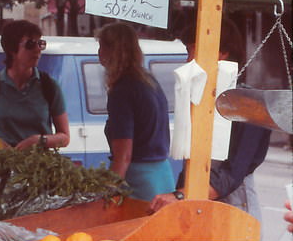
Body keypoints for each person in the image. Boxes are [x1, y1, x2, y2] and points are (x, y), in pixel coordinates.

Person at [149, 19, 270, 217]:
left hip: (234, 208)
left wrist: (181, 196)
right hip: (194, 201)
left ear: (222, 53)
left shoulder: (249, 105)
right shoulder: (199, 101)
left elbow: (232, 174)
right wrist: (179, 195)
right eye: (188, 51)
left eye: (193, 50)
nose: (188, 60)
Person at [0, 19, 69, 150]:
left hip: (38, 166)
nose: (37, 50)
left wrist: (39, 141)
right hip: (0, 165)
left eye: (40, 44)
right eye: (30, 44)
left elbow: (64, 137)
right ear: (12, 49)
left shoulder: (49, 86)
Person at [96, 22, 173, 201]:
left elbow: (124, 155)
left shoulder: (122, 90)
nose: (98, 53)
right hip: (163, 175)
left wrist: (105, 193)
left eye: (101, 47)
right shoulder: (148, 80)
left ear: (111, 51)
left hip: (140, 182)